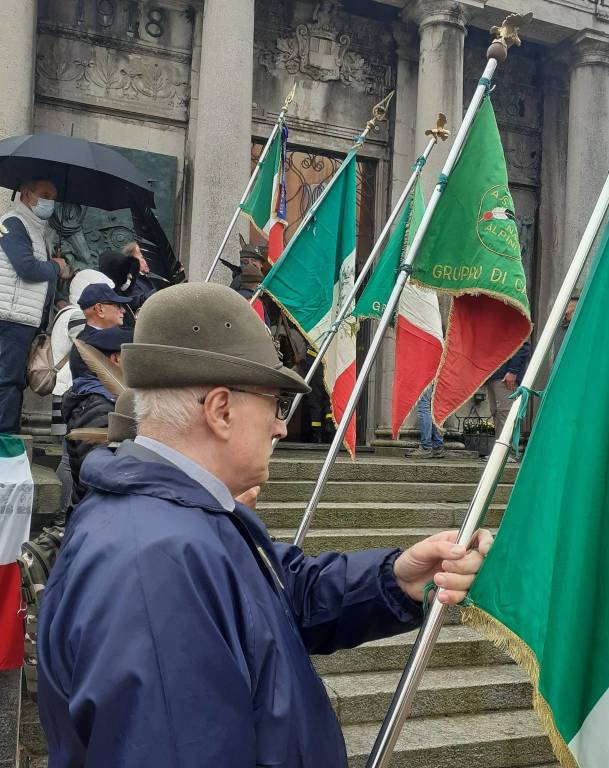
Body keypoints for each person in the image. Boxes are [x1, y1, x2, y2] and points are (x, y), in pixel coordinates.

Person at [37, 283, 492, 767]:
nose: (280, 426)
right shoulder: (154, 563)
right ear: (220, 410)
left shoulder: (183, 516)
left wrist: (397, 578)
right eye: (275, 404)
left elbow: (283, 595)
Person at [0, 179, 68, 433]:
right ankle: (5, 441)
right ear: (27, 195)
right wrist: (55, 267)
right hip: (11, 317)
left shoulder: (36, 230)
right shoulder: (13, 223)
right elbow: (26, 268)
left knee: (13, 381)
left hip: (23, 319)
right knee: (8, 381)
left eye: (53, 197)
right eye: (44, 195)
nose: (49, 202)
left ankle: (10, 437)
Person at [62, 324, 133, 508]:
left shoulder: (106, 400)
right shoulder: (100, 406)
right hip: (98, 511)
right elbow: (98, 475)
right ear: (116, 358)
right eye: (133, 354)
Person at [66, 282, 132, 381]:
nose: (123, 310)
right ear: (99, 309)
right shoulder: (88, 343)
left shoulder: (87, 339)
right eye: (118, 305)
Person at [98, 248, 155, 326]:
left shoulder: (123, 290)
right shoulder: (110, 299)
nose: (130, 276)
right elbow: (137, 301)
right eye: (126, 273)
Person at [486, 340, 531, 439]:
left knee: (507, 415)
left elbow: (523, 344)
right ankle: (499, 452)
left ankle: (509, 453)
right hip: (491, 375)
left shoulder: (514, 324)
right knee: (496, 414)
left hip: (505, 376)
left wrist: (512, 371)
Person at [405, 385, 445, 459]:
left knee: (424, 406)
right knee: (436, 407)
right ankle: (438, 447)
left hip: (427, 374)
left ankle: (426, 447)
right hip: (440, 375)